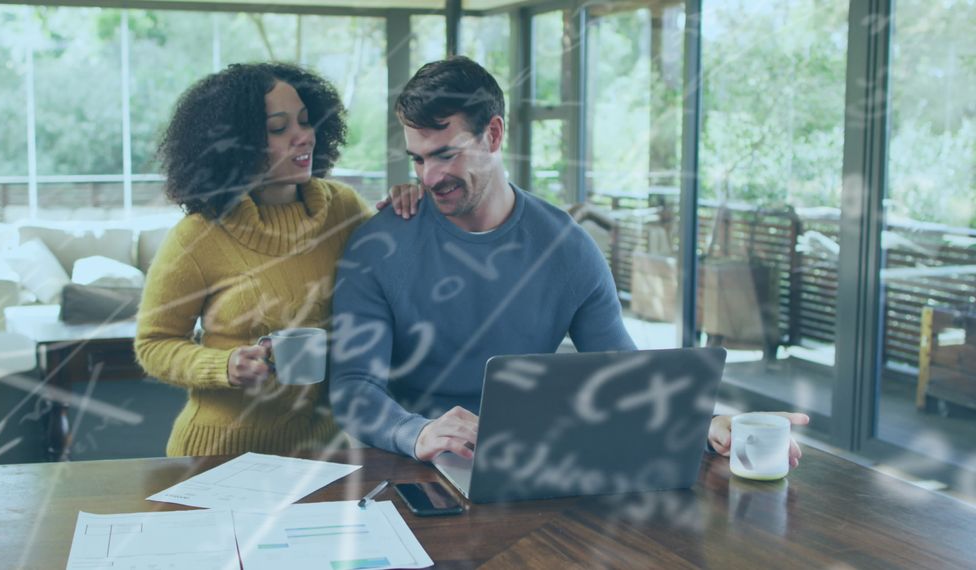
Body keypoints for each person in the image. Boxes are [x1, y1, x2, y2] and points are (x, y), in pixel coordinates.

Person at [330, 56, 809, 465]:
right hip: (409, 464)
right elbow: (353, 386)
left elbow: (625, 375)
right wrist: (416, 433)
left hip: (531, 462)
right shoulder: (381, 243)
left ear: (494, 135)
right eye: (418, 160)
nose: (430, 177)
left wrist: (707, 421)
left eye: (446, 155)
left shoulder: (566, 248)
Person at [135, 62, 417, 457]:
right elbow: (154, 344)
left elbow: (399, 276)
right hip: (217, 456)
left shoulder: (343, 210)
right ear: (237, 143)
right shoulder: (196, 237)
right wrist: (224, 365)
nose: (303, 138)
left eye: (305, 121)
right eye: (279, 128)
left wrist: (412, 206)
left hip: (324, 456)